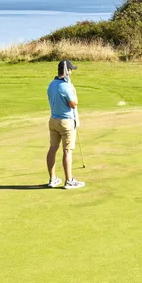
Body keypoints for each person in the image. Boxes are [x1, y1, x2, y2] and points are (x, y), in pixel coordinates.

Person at [46, 59, 85, 188]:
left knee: (53, 148)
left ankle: (52, 179)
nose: (72, 71)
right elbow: (73, 104)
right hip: (66, 122)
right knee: (67, 151)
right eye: (71, 69)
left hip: (53, 121)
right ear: (66, 71)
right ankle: (69, 181)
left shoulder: (51, 84)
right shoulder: (66, 86)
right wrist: (74, 93)